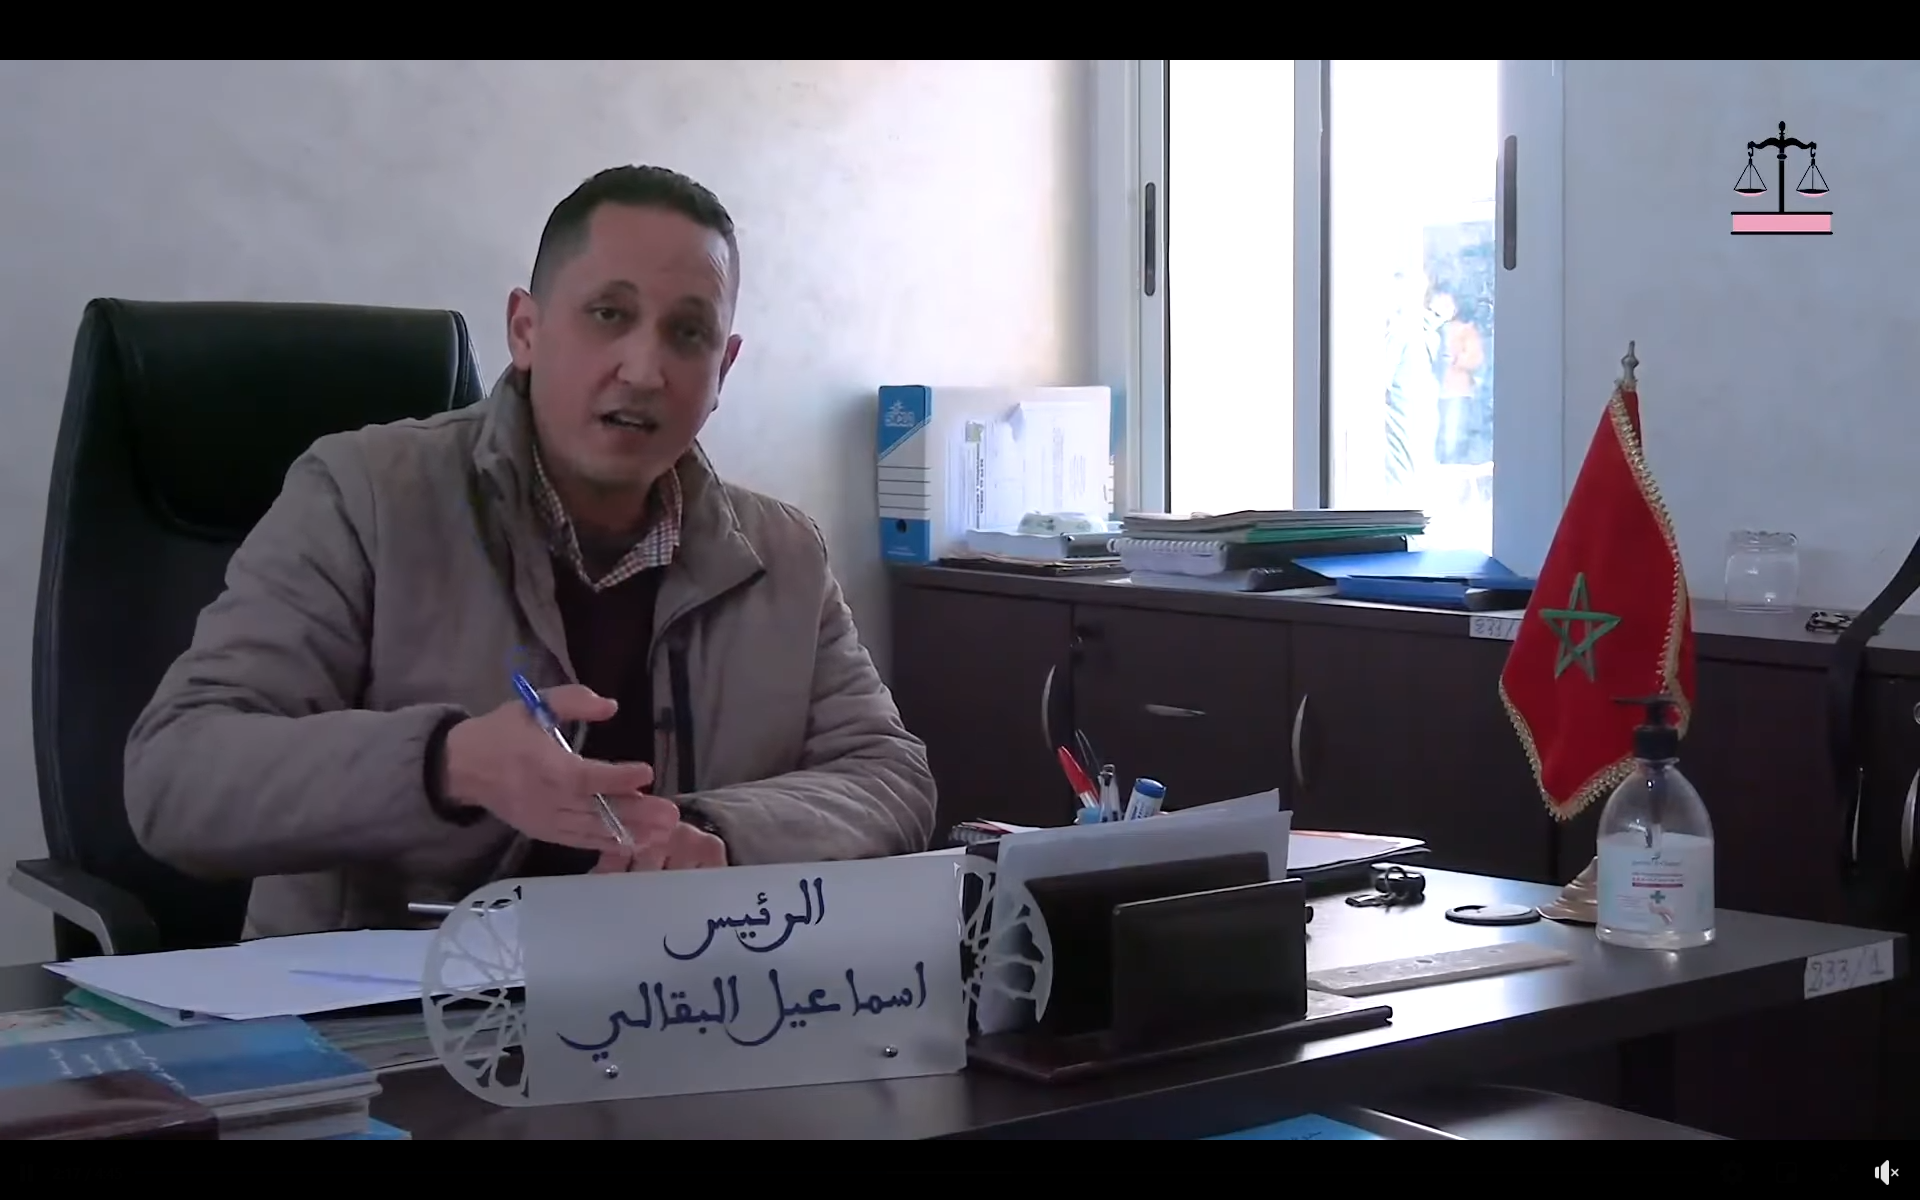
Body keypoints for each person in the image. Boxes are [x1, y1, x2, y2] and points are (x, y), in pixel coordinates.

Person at [123, 165, 938, 939]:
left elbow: (890, 776)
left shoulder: (783, 553)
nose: (644, 369)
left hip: (673, 1000)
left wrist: (712, 831)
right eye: (609, 314)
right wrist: (447, 764)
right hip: (393, 1011)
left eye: (688, 333)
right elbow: (176, 776)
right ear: (526, 329)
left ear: (722, 368)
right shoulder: (361, 495)